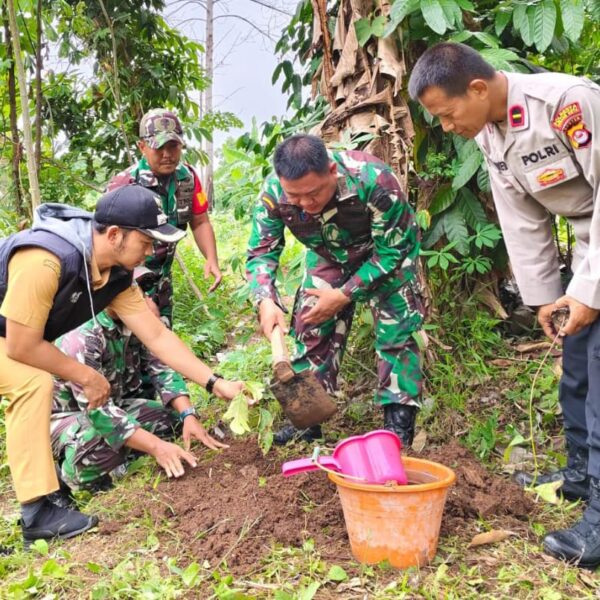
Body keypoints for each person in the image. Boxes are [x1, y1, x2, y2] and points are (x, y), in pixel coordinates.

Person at [408, 41, 600, 568]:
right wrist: (546, 299)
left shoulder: (567, 103)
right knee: (577, 367)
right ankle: (581, 477)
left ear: (477, 88)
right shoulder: (492, 135)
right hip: (590, 249)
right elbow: (522, 220)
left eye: (447, 115)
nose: (446, 128)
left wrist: (588, 291)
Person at [0, 184, 243, 544]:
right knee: (34, 382)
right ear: (114, 235)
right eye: (146, 242)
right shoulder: (45, 259)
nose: (151, 251)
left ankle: (44, 506)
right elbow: (21, 345)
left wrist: (215, 382)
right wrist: (86, 376)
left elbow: (158, 338)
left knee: (35, 381)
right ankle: (38, 511)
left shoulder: (116, 278)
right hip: (13, 339)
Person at [246, 134, 424, 446]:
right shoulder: (274, 192)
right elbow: (261, 252)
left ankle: (398, 429)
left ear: (331, 171)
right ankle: (308, 422)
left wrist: (343, 295)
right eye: (295, 197)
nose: (305, 204)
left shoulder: (374, 180)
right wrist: (265, 300)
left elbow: (393, 252)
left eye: (313, 194)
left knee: (396, 331)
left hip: (382, 254)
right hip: (329, 255)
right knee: (311, 323)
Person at [50, 266, 226, 502]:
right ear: (108, 296)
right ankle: (68, 474)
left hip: (116, 405)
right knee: (102, 440)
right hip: (73, 419)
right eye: (130, 290)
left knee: (170, 420)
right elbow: (99, 414)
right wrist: (156, 447)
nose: (140, 296)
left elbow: (161, 367)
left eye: (140, 290)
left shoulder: (134, 323)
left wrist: (188, 415)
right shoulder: (83, 336)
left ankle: (127, 453)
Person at [107, 108, 221, 326]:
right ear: (142, 147)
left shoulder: (186, 178)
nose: (167, 154)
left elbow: (200, 220)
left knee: (162, 336)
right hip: (126, 279)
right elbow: (106, 246)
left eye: (173, 146)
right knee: (128, 341)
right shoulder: (125, 185)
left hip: (163, 279)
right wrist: (130, 288)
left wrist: (211, 258)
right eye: (159, 147)